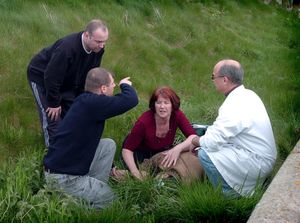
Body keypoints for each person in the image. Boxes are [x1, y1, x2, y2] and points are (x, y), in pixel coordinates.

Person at [43, 67, 138, 209]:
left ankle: (95, 187)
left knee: (108, 145)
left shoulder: (84, 100)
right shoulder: (94, 104)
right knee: (112, 201)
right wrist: (124, 84)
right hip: (65, 178)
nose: (114, 87)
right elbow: (131, 99)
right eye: (113, 84)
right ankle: (81, 209)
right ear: (103, 89)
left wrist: (111, 167)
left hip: (60, 168)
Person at [191, 59, 277, 197]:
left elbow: (212, 142)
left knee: (204, 154)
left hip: (258, 162)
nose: (212, 80)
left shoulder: (233, 105)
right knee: (210, 146)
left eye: (213, 77)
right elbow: (221, 131)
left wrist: (195, 141)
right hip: (262, 156)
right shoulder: (248, 94)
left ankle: (230, 195)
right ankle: (248, 185)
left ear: (225, 79)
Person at [27, 19, 109, 147]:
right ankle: (52, 161)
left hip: (68, 81)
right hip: (42, 77)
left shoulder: (97, 50)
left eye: (104, 42)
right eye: (98, 41)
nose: (102, 45)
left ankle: (70, 153)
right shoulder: (67, 49)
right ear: (87, 35)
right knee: (53, 119)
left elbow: (89, 75)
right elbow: (51, 76)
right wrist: (54, 103)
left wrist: (82, 99)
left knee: (74, 115)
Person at [122, 86, 200, 180]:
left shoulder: (177, 115)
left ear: (172, 105)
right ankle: (121, 174)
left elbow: (193, 137)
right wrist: (135, 173)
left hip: (161, 151)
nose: (162, 107)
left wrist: (177, 148)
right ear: (154, 105)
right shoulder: (144, 122)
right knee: (145, 177)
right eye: (158, 102)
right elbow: (127, 150)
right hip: (139, 155)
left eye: (166, 103)